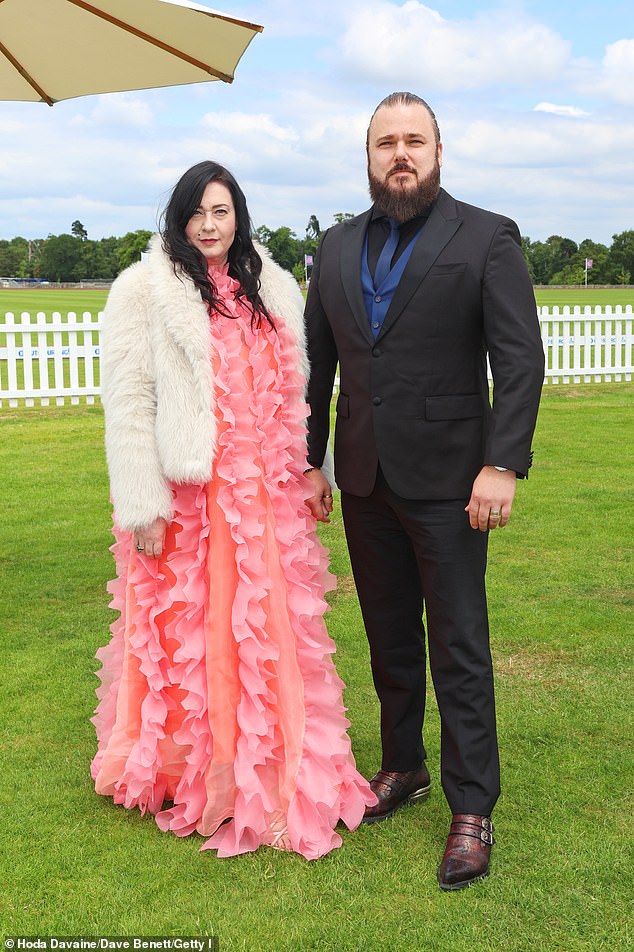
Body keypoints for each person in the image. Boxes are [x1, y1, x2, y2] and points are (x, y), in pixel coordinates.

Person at [90, 160, 376, 860]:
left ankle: (272, 759)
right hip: (191, 501)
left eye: (222, 212)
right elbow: (129, 407)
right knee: (197, 635)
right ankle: (203, 771)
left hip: (266, 496)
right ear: (179, 218)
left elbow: (301, 392)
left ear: (239, 216)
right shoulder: (142, 292)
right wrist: (143, 505)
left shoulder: (272, 288)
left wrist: (314, 470)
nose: (210, 226)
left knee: (265, 632)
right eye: (197, 213)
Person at [304, 92, 545, 889]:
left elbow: (518, 360)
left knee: (459, 647)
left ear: (438, 151)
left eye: (414, 141)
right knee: (389, 639)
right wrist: (313, 460)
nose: (399, 154)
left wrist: (502, 463)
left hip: (453, 483)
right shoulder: (335, 249)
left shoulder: (486, 237)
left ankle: (472, 808)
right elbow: (318, 372)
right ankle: (401, 767)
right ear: (366, 156)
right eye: (385, 143)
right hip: (365, 477)